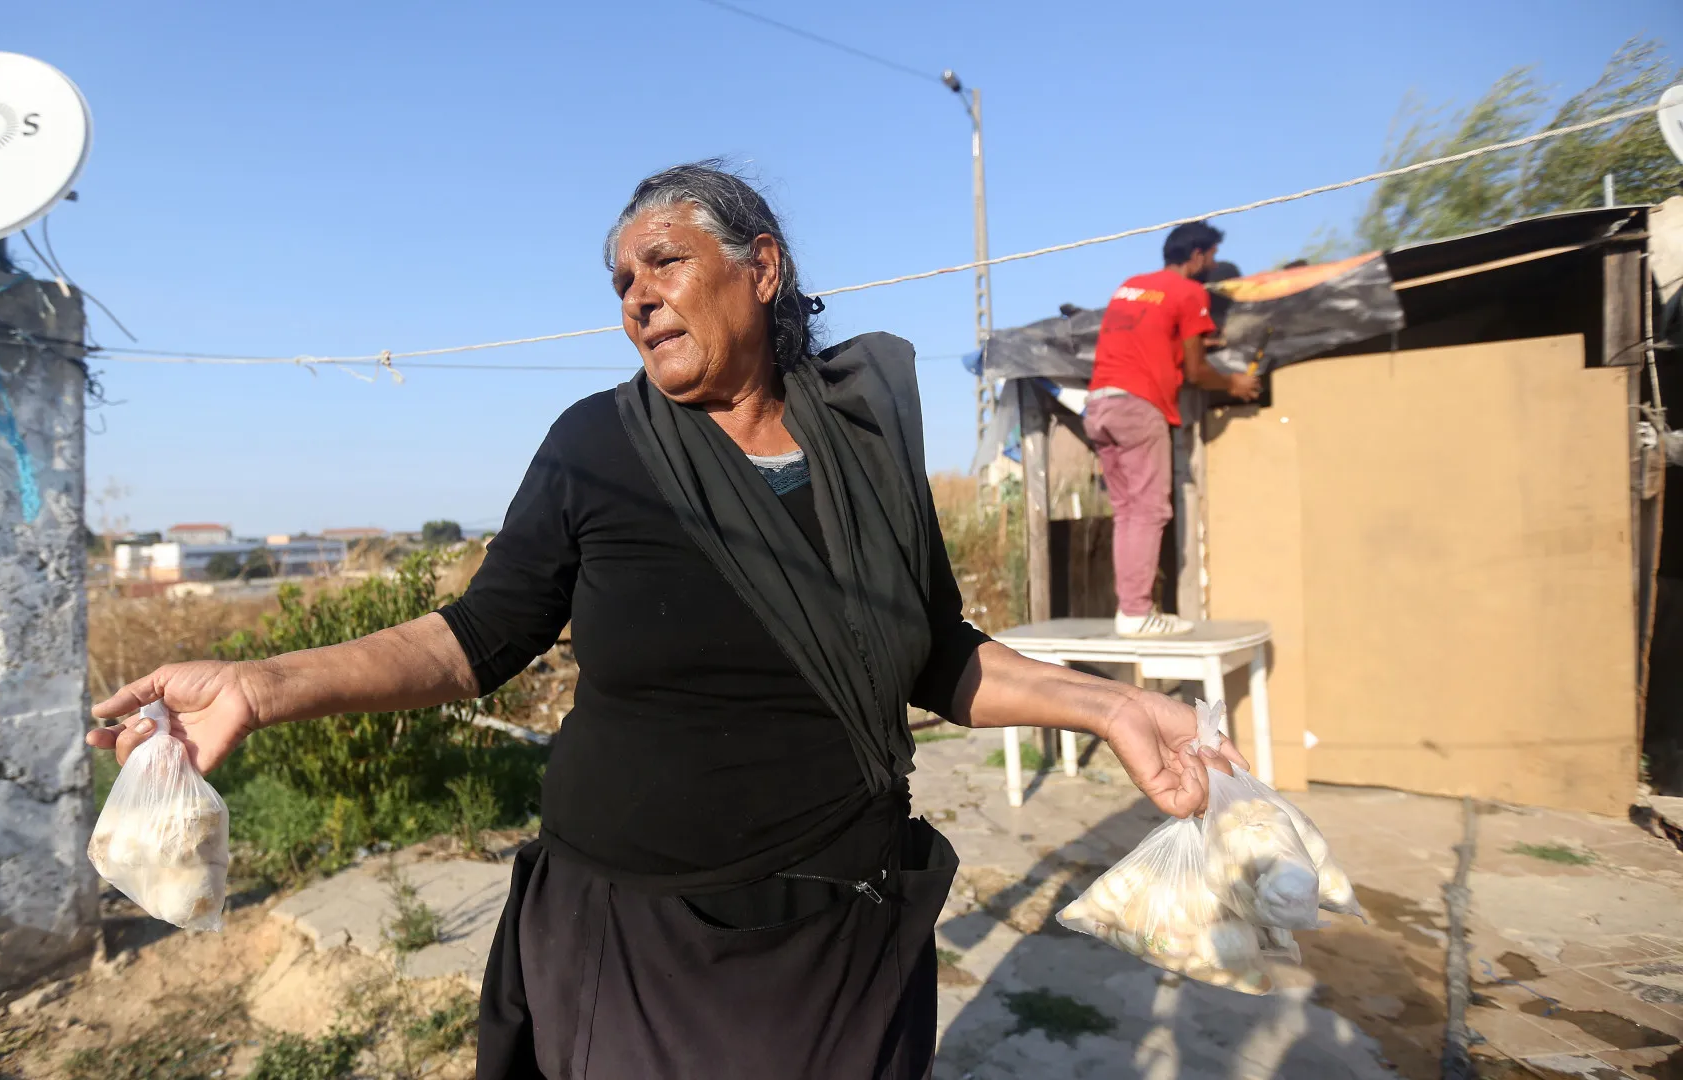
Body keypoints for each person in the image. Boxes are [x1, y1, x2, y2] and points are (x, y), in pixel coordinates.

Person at [86, 163, 1244, 1079]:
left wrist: (1110, 704)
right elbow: (475, 637)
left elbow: (933, 649)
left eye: (663, 261)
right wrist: (260, 685)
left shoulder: (870, 448)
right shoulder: (601, 445)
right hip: (639, 941)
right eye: (619, 282)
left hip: (845, 936)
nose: (637, 294)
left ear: (763, 268)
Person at [1086, 221, 1260, 638]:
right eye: (1212, 256)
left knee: (1129, 512)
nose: (1213, 264)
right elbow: (1197, 371)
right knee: (1151, 510)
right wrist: (1234, 383)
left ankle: (1129, 611)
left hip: (1098, 406)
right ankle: (1137, 612)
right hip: (1138, 406)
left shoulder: (1131, 286)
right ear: (1198, 255)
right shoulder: (1190, 292)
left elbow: (1149, 339)